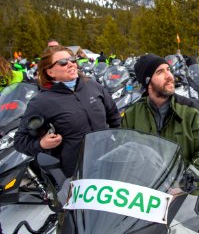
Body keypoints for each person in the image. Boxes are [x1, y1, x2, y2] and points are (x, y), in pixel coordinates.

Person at [120, 54, 199, 234]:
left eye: (168, 69)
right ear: (147, 82)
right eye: (160, 72)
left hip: (185, 189)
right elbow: (126, 150)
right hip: (146, 191)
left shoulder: (192, 111)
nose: (169, 75)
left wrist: (185, 182)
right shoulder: (132, 114)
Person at [14, 45, 121, 177]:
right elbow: (20, 141)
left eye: (72, 59)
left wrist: (117, 140)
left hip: (108, 162)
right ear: (50, 72)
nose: (70, 64)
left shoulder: (93, 85)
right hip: (76, 173)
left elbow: (114, 117)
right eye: (63, 62)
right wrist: (41, 144)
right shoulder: (41, 102)